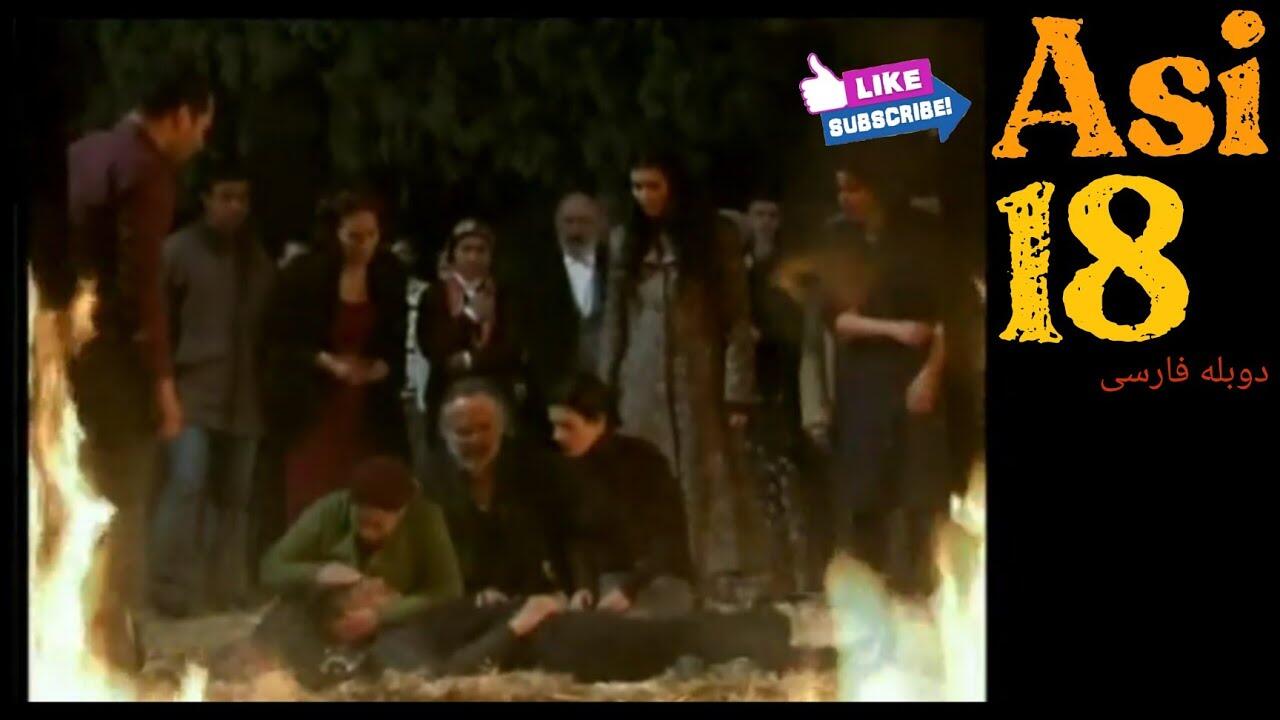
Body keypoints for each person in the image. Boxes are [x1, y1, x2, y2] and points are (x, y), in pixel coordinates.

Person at [65, 59, 214, 670]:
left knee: (69, 496)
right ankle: (113, 648)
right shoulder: (145, 168)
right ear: (179, 116)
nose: (201, 141)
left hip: (57, 353)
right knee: (122, 502)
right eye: (202, 126)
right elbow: (141, 288)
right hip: (111, 365)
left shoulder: (82, 153)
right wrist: (163, 383)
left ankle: (78, 637)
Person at [597, 148, 768, 603]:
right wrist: (603, 387)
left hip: (699, 378)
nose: (645, 197)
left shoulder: (714, 238)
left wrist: (737, 391)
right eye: (637, 187)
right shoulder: (626, 242)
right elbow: (614, 319)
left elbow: (736, 320)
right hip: (640, 380)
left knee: (707, 477)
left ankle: (716, 573)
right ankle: (654, 574)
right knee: (647, 476)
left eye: (653, 186)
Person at [818, 150, 952, 599]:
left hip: (916, 374)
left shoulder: (921, 236)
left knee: (919, 493)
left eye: (854, 189)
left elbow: (950, 313)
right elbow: (837, 319)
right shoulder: (839, 240)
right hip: (864, 378)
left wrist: (931, 372)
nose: (846, 198)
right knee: (865, 494)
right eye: (840, 190)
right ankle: (872, 593)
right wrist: (895, 330)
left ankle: (925, 589)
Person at [150, 159, 275, 617]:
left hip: (245, 396)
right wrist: (162, 386)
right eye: (226, 197)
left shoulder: (256, 258)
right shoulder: (178, 253)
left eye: (242, 198)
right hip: (192, 390)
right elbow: (157, 326)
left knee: (236, 497)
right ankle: (170, 587)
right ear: (205, 199)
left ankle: (227, 586)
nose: (235, 207)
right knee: (187, 485)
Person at [253, 456, 465, 686]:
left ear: (402, 511)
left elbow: (448, 589)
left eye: (378, 526)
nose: (368, 534)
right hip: (324, 612)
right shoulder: (331, 511)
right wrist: (319, 573)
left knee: (405, 668)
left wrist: (381, 615)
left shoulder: (426, 520)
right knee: (279, 638)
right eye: (363, 522)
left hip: (396, 622)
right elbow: (272, 567)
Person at [263, 191, 409, 524]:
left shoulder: (387, 275)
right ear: (335, 233)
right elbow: (279, 340)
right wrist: (326, 362)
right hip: (314, 402)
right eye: (354, 236)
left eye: (371, 235)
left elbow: (394, 341)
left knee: (360, 492)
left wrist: (382, 367)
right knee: (312, 488)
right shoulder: (304, 275)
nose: (364, 245)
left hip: (367, 407)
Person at [547, 373, 696, 617]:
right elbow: (577, 538)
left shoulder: (645, 461)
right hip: (606, 585)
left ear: (599, 421)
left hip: (657, 580)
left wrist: (629, 589)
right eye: (554, 426)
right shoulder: (570, 470)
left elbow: (667, 542)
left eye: (567, 426)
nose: (557, 436)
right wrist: (583, 587)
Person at [423, 378, 571, 602]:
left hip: (534, 595)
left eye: (485, 428)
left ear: (503, 427)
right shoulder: (428, 482)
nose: (476, 440)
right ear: (444, 434)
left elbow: (564, 540)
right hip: (463, 602)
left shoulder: (538, 470)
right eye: (464, 432)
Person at [515, 191, 610, 443]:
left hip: (605, 389)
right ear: (557, 225)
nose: (575, 230)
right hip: (551, 390)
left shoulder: (615, 267)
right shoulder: (535, 271)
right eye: (569, 221)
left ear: (599, 225)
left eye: (584, 221)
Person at [417, 219, 521, 445]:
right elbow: (434, 347)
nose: (473, 257)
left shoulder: (506, 294)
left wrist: (469, 360)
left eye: (481, 250)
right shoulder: (435, 294)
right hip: (446, 391)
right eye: (466, 249)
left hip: (496, 390)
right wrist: (470, 316)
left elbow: (513, 348)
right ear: (453, 254)